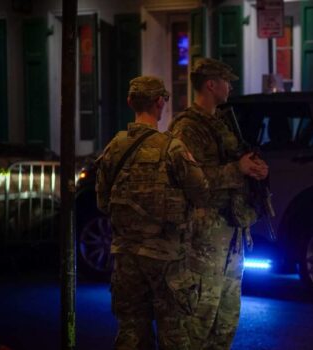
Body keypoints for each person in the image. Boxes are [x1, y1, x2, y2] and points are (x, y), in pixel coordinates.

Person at [95, 76, 211, 349]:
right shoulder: (172, 148)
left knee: (131, 333)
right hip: (166, 258)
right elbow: (202, 191)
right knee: (175, 333)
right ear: (160, 103)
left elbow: (102, 202)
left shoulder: (114, 148)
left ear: (129, 103)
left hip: (126, 257)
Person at [168, 58, 268, 349]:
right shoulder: (187, 128)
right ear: (211, 84)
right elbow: (189, 179)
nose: (231, 85)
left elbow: (239, 164)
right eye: (226, 80)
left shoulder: (223, 124)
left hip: (231, 236)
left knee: (225, 323)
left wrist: (257, 170)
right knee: (198, 323)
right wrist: (237, 169)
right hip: (204, 238)